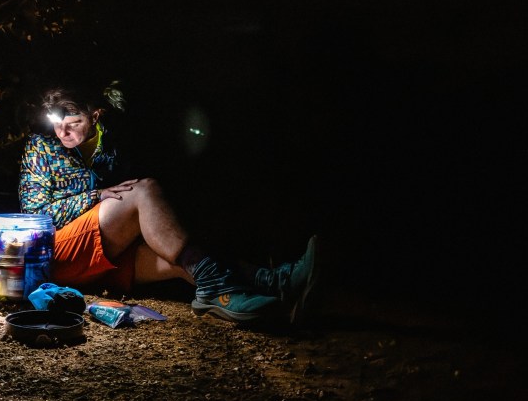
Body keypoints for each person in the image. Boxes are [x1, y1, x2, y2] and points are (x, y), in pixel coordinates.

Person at [18, 81, 319, 324]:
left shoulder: (111, 143)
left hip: (108, 256)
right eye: (57, 124)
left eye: (73, 123)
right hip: (59, 254)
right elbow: (34, 214)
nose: (62, 132)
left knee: (181, 252)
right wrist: (95, 195)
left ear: (95, 117)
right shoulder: (41, 148)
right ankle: (227, 286)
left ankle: (270, 286)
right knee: (144, 190)